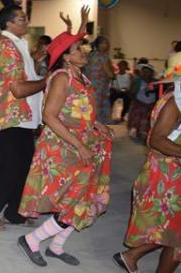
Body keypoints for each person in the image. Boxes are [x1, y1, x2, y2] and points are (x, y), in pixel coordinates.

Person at [17, 32, 114, 267]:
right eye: (79, 49)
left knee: (84, 197)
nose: (84, 52)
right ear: (66, 57)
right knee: (73, 200)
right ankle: (31, 239)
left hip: (81, 144)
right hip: (64, 147)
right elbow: (49, 116)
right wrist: (79, 144)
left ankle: (56, 246)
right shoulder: (62, 77)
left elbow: (80, 112)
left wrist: (96, 125)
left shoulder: (81, 76)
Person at [114, 49, 181, 273]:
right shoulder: (174, 104)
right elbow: (155, 139)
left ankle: (131, 257)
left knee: (179, 234)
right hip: (168, 176)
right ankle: (131, 256)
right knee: (175, 233)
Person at [0, 5, 47, 231]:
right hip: (7, 116)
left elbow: (23, 76)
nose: (26, 21)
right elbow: (17, 89)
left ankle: (14, 213)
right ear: (8, 23)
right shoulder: (6, 47)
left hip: (22, 116)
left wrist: (34, 61)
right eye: (21, 18)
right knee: (9, 166)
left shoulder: (18, 45)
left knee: (24, 166)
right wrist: (49, 81)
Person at [84, 36, 115, 124]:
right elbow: (110, 74)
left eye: (107, 43)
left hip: (88, 85)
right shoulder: (103, 56)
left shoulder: (90, 54)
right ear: (99, 45)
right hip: (99, 87)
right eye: (104, 43)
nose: (107, 45)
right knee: (97, 109)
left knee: (90, 108)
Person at [127, 64, 158, 139]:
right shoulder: (137, 81)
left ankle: (145, 132)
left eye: (147, 72)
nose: (144, 74)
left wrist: (151, 90)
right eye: (143, 72)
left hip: (151, 104)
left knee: (148, 116)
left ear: (151, 74)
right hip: (139, 102)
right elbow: (131, 92)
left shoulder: (156, 82)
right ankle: (134, 129)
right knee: (137, 112)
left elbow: (158, 92)